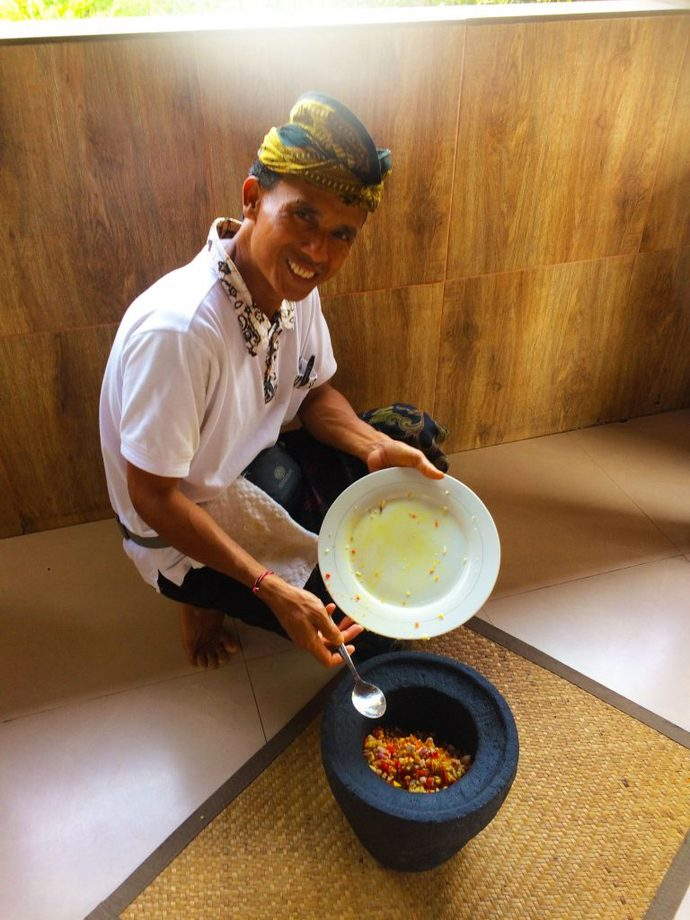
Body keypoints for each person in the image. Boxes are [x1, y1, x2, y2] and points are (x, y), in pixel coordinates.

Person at [99, 92, 449, 672]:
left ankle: (277, 521)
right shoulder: (181, 331)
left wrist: (373, 446)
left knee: (413, 434)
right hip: (178, 521)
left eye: (342, 234)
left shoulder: (292, 285)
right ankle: (197, 596)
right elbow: (152, 498)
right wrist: (271, 586)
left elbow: (313, 394)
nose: (318, 251)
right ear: (253, 199)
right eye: (303, 215)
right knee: (370, 638)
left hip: (255, 464)